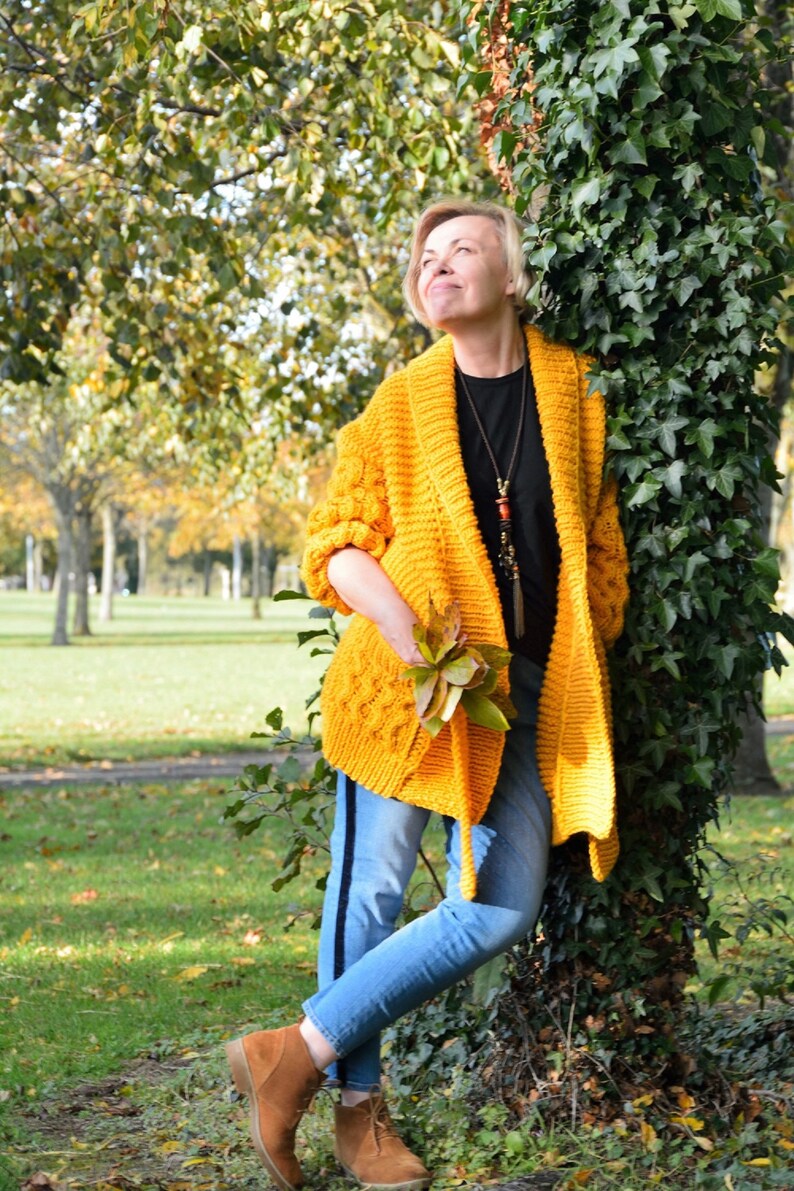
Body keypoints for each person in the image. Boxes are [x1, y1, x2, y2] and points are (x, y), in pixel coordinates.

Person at [225, 199, 629, 1191]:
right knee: (370, 888)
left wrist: (580, 637)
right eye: (425, 255)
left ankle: (293, 1053)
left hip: (518, 695)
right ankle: (358, 1120)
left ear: (510, 277)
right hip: (401, 686)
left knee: (496, 907)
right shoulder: (399, 401)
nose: (436, 264)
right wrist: (413, 644)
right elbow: (336, 546)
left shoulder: (573, 390)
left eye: (463, 250)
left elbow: (596, 549)